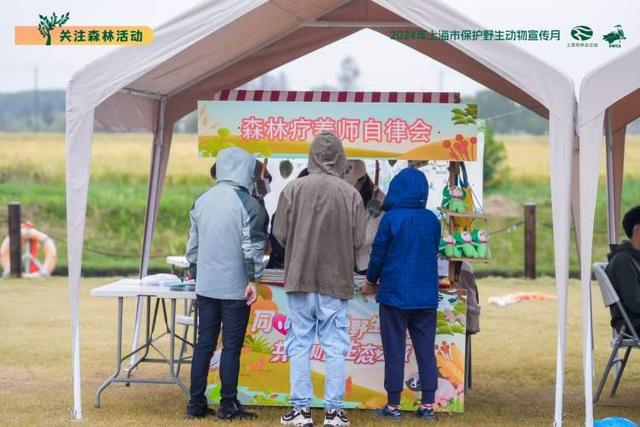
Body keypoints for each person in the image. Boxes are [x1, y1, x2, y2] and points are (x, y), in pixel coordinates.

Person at [273, 131, 367, 427]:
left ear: (311, 156)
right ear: (342, 159)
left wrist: (299, 245)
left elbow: (280, 234)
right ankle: (334, 412)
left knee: (299, 344)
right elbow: (359, 238)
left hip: (299, 276)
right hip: (335, 280)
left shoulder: (293, 189)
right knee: (335, 346)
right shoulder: (350, 193)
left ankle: (300, 412)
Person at [185, 147, 267, 420]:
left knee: (204, 343)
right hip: (236, 287)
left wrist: (197, 273)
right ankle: (227, 405)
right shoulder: (248, 203)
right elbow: (252, 248)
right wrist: (254, 280)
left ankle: (195, 404)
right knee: (231, 347)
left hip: (206, 286)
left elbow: (192, 248)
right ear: (246, 170)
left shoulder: (201, 200)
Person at [361, 167, 441, 421]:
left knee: (394, 350)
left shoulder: (391, 219)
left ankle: (393, 405)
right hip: (426, 296)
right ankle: (428, 405)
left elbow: (378, 255)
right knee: (426, 350)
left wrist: (371, 280)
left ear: (396, 189)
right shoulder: (432, 220)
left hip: (395, 295)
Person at [342, 160, 386, 273]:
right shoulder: (341, 195)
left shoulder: (377, 201)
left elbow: (368, 237)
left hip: (365, 264)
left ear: (363, 180)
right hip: (342, 261)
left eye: (351, 185)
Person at [606, 205, 640, 333]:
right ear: (637, 230)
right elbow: (634, 303)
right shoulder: (623, 261)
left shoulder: (634, 258)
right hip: (633, 324)